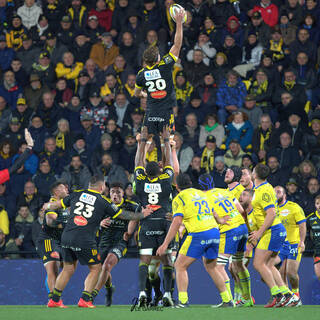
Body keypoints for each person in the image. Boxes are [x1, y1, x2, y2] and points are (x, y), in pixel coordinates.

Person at [45, 175, 153, 308]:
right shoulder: (102, 201)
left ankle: (54, 300)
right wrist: (142, 215)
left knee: (68, 268)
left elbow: (55, 204)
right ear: (102, 187)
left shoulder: (77, 194)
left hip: (67, 236)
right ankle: (85, 299)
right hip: (84, 239)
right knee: (96, 268)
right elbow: (123, 215)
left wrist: (47, 206)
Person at [156, 173, 233, 308]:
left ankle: (183, 301)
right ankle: (227, 300)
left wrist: (165, 244)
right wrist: (221, 220)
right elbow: (213, 212)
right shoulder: (201, 194)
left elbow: (177, 221)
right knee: (211, 266)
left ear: (177, 186)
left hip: (199, 234)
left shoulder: (179, 198)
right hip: (214, 232)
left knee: (180, 266)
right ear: (190, 182)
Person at [131, 126, 174, 307]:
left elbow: (137, 163)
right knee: (167, 260)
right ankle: (168, 295)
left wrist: (141, 142)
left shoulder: (140, 181)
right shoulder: (165, 179)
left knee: (145, 260)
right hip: (164, 223)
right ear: (159, 170)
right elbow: (170, 162)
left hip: (147, 224)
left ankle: (142, 292)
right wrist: (165, 142)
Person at [198, 173, 252, 307]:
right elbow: (241, 210)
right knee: (239, 264)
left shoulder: (203, 198)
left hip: (228, 231)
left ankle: (228, 300)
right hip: (242, 227)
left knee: (217, 266)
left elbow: (207, 219)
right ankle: (247, 299)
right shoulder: (224, 191)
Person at [249, 163, 298, 307]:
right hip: (274, 230)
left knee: (258, 263)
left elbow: (270, 214)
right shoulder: (264, 187)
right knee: (269, 265)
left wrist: (259, 232)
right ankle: (288, 295)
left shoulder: (263, 190)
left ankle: (277, 295)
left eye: (252, 171)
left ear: (255, 174)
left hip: (272, 230)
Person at [134, 8, 185, 136]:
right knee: (169, 143)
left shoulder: (141, 74)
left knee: (144, 142)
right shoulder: (164, 65)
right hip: (166, 112)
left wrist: (147, 95)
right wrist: (179, 23)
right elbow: (177, 44)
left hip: (151, 113)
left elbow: (136, 94)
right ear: (157, 59)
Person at [91, 182, 139, 306]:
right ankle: (109, 288)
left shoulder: (131, 206)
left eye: (118, 192)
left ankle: (92, 295)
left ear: (123, 193)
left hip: (120, 243)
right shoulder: (103, 205)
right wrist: (99, 223)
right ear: (109, 193)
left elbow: (142, 214)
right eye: (113, 192)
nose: (115, 195)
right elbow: (91, 220)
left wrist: (133, 231)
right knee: (102, 269)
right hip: (103, 243)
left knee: (107, 265)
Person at [36, 181, 69, 301]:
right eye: (63, 188)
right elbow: (51, 222)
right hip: (48, 240)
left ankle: (54, 296)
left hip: (60, 242)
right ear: (56, 192)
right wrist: (67, 223)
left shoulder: (63, 204)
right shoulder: (51, 203)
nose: (66, 189)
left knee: (65, 267)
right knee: (52, 267)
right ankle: (53, 299)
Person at [274, 186, 305, 303]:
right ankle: (288, 298)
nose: (276, 194)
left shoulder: (294, 207)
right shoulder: (272, 209)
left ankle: (296, 293)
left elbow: (302, 225)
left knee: (291, 273)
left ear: (284, 195)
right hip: (280, 245)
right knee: (281, 273)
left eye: (278, 192)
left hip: (294, 244)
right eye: (274, 192)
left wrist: (301, 241)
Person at [306, 195, 320, 281]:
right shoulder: (310, 218)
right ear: (315, 204)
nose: (319, 205)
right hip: (317, 251)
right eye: (318, 203)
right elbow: (302, 230)